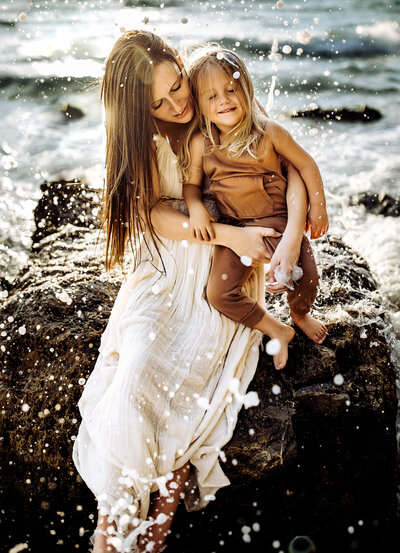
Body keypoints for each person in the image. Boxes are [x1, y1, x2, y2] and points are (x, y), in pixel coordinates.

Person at [72, 30, 309, 553]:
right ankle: (114, 528)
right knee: (134, 370)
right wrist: (228, 232)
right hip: (163, 269)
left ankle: (153, 531)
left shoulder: (214, 95)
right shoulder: (140, 137)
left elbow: (289, 164)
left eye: (176, 85)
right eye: (158, 101)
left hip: (219, 271)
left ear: (181, 64)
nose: (177, 104)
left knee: (191, 380)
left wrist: (290, 238)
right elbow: (149, 213)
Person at [182, 47, 329, 369]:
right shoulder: (201, 144)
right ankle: (276, 328)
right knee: (219, 294)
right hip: (237, 228)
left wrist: (318, 207)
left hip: (279, 222)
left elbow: (305, 165)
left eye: (230, 90)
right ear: (198, 105)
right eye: (211, 96)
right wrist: (195, 207)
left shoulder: (269, 132)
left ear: (246, 87)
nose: (223, 100)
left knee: (308, 280)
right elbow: (191, 186)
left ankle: (299, 314)